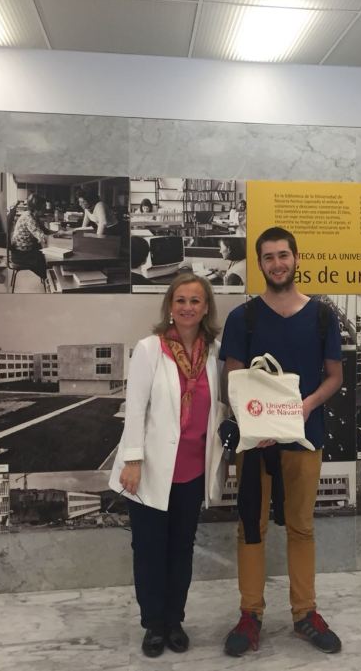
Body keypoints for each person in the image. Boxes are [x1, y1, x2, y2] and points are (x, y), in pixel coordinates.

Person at [219, 226, 343, 657]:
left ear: (296, 258)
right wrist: (257, 420)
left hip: (305, 438)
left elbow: (335, 377)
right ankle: (249, 614)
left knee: (301, 527)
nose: (277, 264)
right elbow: (233, 380)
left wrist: (306, 406)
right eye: (268, 257)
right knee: (250, 528)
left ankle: (305, 613)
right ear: (260, 264)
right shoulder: (243, 318)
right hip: (255, 443)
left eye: (283, 255)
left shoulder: (322, 316)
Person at [108, 274, 225, 658]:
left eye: (195, 301)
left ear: (206, 308)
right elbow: (134, 409)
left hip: (192, 471)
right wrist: (133, 460)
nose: (187, 307)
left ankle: (175, 620)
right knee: (149, 550)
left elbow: (219, 409)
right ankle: (153, 624)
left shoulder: (214, 353)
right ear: (170, 307)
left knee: (181, 550)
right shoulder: (150, 348)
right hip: (150, 470)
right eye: (180, 300)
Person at [8, 195, 50, 283]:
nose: (46, 209)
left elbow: (45, 231)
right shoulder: (29, 218)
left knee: (44, 255)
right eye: (44, 207)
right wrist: (58, 235)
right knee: (47, 260)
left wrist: (58, 232)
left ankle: (46, 278)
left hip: (26, 250)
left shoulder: (33, 215)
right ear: (37, 208)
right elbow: (41, 236)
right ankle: (48, 280)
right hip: (21, 254)